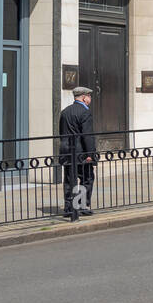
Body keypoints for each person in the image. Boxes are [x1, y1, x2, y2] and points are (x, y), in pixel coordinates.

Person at [58, 86, 97, 220]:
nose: (90, 99)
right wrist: (91, 154)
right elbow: (87, 136)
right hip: (81, 152)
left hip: (67, 151)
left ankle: (69, 208)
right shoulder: (85, 112)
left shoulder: (65, 111)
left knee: (69, 180)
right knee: (87, 178)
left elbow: (61, 133)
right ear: (84, 97)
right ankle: (81, 206)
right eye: (89, 96)